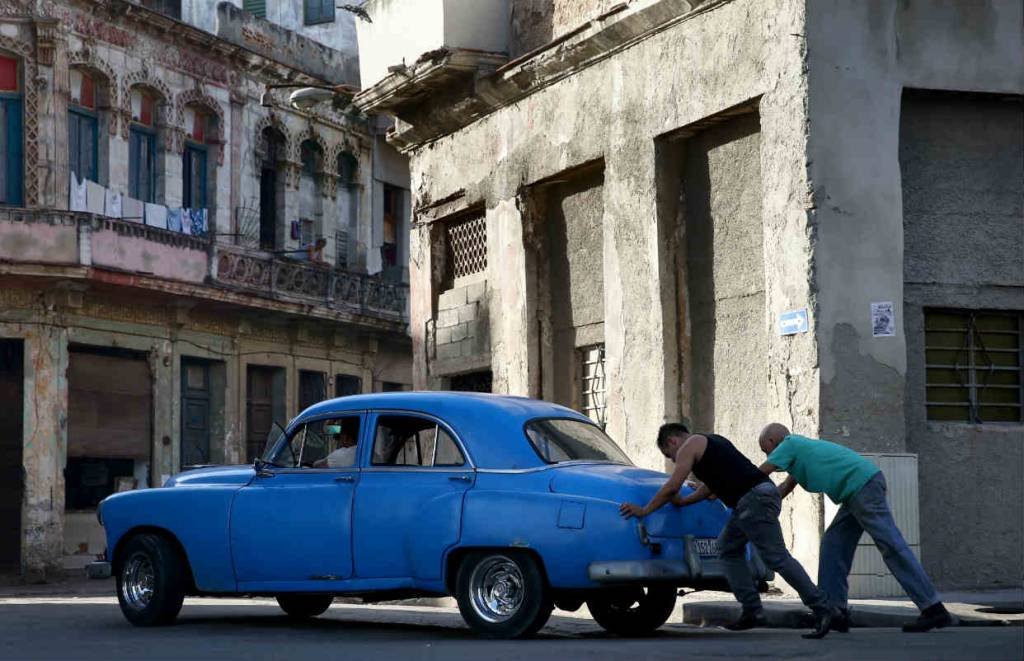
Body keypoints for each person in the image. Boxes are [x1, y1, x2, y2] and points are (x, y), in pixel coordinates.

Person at [620, 423, 837, 638]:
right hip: (753, 499)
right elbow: (711, 486)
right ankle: (753, 611)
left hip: (753, 500)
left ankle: (822, 607)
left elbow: (671, 486)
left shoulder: (689, 445)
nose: (674, 460)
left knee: (777, 558)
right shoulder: (714, 441)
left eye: (670, 456)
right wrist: (685, 502)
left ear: (672, 441)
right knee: (728, 549)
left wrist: (644, 510)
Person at [757, 423, 955, 633]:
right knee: (833, 546)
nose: (767, 454)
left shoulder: (790, 443)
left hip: (863, 487)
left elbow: (760, 473)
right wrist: (760, 506)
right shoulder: (799, 456)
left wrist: (735, 490)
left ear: (772, 442)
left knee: (891, 545)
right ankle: (835, 612)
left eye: (765, 449)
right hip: (855, 493)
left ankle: (933, 608)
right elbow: (784, 488)